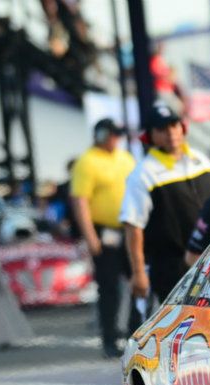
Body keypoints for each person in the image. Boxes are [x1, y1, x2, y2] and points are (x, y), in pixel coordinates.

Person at [121, 102, 210, 313]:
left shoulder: (201, 160)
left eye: (174, 125)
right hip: (172, 269)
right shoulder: (143, 174)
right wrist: (138, 273)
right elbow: (133, 226)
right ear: (149, 135)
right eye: (162, 129)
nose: (171, 133)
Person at [70, 118, 136, 357]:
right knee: (109, 287)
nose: (115, 140)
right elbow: (80, 201)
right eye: (111, 135)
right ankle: (110, 338)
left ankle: (135, 332)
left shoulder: (124, 158)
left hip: (128, 229)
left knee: (138, 282)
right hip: (103, 231)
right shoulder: (87, 162)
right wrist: (90, 237)